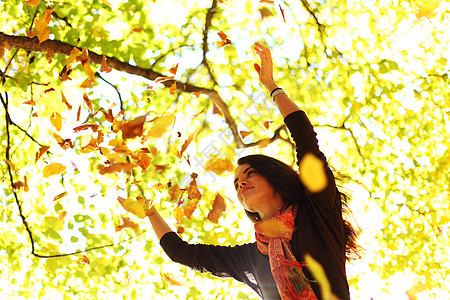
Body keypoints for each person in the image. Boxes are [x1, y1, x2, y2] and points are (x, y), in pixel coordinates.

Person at [146, 43, 358, 300]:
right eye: (236, 183)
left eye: (249, 174)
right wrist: (149, 210)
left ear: (274, 177)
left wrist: (272, 86)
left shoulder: (317, 212)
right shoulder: (254, 256)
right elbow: (182, 253)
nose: (240, 184)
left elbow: (305, 139)